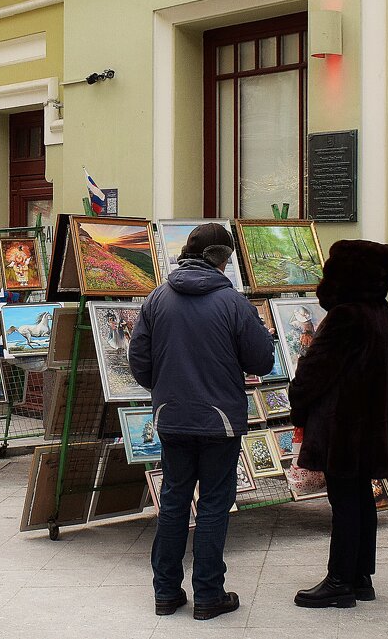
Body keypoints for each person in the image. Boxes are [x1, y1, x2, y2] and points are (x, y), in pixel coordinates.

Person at [129, 223, 274, 621]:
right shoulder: (233, 303)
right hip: (220, 420)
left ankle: (166, 593)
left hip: (172, 417)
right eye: (227, 259)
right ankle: (209, 594)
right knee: (213, 504)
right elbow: (262, 360)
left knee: (174, 500)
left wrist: (165, 389)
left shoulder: (157, 298)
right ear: (219, 259)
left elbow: (139, 361)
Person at [289, 240, 388, 608]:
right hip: (370, 424)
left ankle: (340, 580)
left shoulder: (346, 315)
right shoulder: (381, 310)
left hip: (343, 426)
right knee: (360, 499)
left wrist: (297, 397)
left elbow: (316, 370)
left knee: (344, 501)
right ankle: (360, 576)